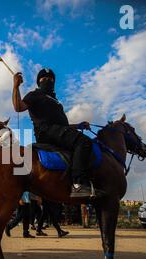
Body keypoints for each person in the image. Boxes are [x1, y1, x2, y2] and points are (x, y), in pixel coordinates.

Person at [12, 68, 100, 198]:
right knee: (83, 141)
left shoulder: (56, 101)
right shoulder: (34, 95)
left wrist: (78, 126)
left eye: (50, 79)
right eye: (44, 79)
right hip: (47, 132)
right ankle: (78, 185)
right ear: (39, 82)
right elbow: (18, 107)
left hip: (59, 131)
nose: (47, 80)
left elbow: (63, 126)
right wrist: (15, 86)